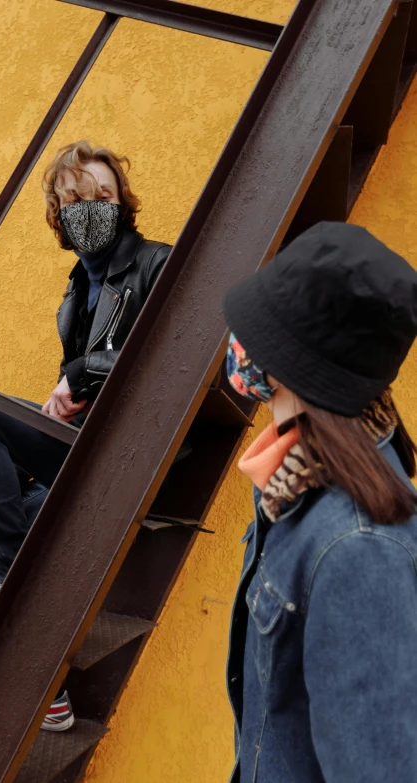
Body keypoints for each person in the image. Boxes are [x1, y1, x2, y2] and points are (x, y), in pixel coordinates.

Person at [0, 140, 171, 731]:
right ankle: (54, 694)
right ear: (58, 215)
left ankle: (10, 598)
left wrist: (79, 376)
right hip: (82, 449)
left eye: (103, 196)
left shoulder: (157, 265)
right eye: (76, 200)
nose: (90, 208)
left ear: (122, 203)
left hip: (123, 454)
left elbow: (168, 356)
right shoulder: (73, 297)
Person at [222, 222, 417, 782]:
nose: (239, 347)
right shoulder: (291, 490)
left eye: (255, 333)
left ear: (290, 361)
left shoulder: (359, 548)